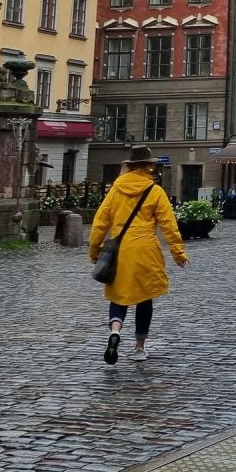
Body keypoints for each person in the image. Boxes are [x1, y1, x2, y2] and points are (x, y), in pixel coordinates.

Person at [89, 146, 186, 364]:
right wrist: (178, 253)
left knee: (118, 296)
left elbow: (100, 223)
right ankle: (139, 347)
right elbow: (169, 225)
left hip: (120, 250)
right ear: (149, 166)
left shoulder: (116, 189)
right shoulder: (155, 191)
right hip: (146, 250)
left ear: (129, 166)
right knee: (144, 298)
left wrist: (95, 251)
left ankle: (115, 331)